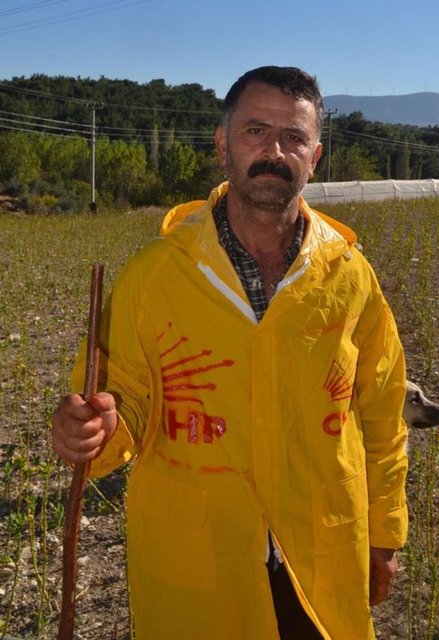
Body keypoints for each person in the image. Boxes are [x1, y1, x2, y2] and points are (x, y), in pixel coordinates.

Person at [52, 66, 408, 640]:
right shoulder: (156, 274)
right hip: (199, 556)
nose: (274, 152)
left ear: (315, 157)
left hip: (322, 546)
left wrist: (385, 532)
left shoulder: (350, 275)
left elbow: (384, 413)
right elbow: (121, 396)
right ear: (222, 144)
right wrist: (97, 430)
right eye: (255, 131)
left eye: (293, 138)